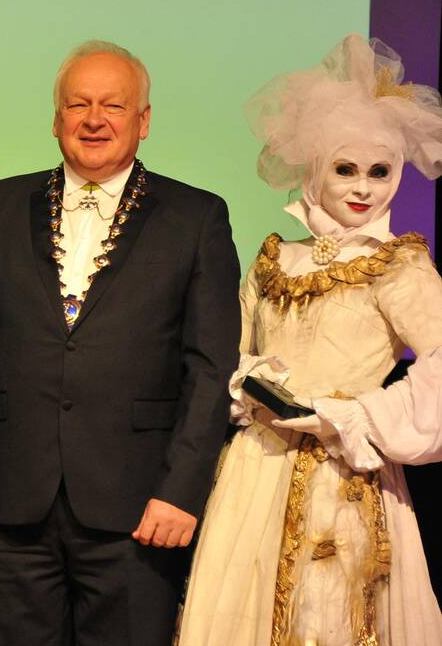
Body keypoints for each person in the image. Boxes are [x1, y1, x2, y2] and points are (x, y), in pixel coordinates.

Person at [0, 40, 241, 644]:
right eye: (78, 104)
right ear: (56, 120)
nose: (94, 119)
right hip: (12, 500)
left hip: (138, 506)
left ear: (143, 121)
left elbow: (209, 369)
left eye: (113, 106)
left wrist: (181, 491)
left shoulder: (196, 217)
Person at [177, 34, 442, 645]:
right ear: (315, 170)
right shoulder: (276, 258)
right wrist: (250, 381)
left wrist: (350, 415)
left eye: (379, 172)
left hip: (346, 471)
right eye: (345, 169)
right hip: (259, 468)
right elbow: (228, 352)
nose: (363, 188)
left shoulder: (399, 266)